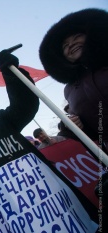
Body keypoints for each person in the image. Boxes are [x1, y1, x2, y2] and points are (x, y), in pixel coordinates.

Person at [0, 49, 100, 233]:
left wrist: (11, 73)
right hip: (9, 217)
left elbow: (25, 105)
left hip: (49, 199)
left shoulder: (2, 119)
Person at [39, 8, 108, 149]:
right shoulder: (69, 91)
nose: (71, 44)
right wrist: (76, 127)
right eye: (65, 46)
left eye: (76, 37)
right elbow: (95, 133)